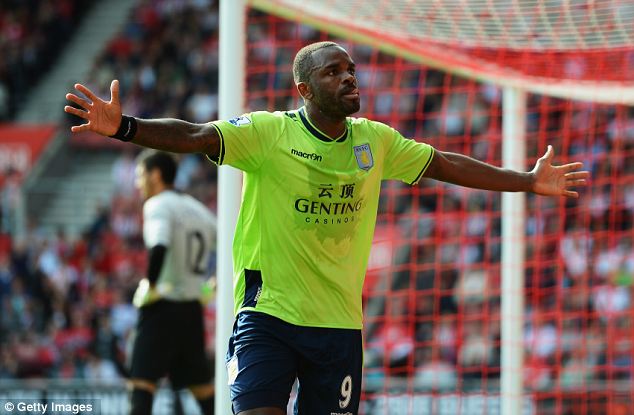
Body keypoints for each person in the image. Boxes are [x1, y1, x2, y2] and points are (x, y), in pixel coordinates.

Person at [64, 41, 589, 415]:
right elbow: (197, 135)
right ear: (304, 88)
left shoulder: (375, 141)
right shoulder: (268, 133)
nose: (349, 78)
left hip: (338, 327)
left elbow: (446, 164)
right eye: (334, 71)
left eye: (351, 70)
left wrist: (526, 181)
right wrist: (126, 127)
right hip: (268, 316)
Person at [126, 150, 217, 415]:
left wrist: (150, 285)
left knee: (141, 386)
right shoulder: (199, 210)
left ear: (155, 175)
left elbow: (159, 245)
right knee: (202, 390)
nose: (138, 183)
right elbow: (233, 247)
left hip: (162, 305)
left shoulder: (157, 205)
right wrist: (213, 285)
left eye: (140, 175)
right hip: (192, 310)